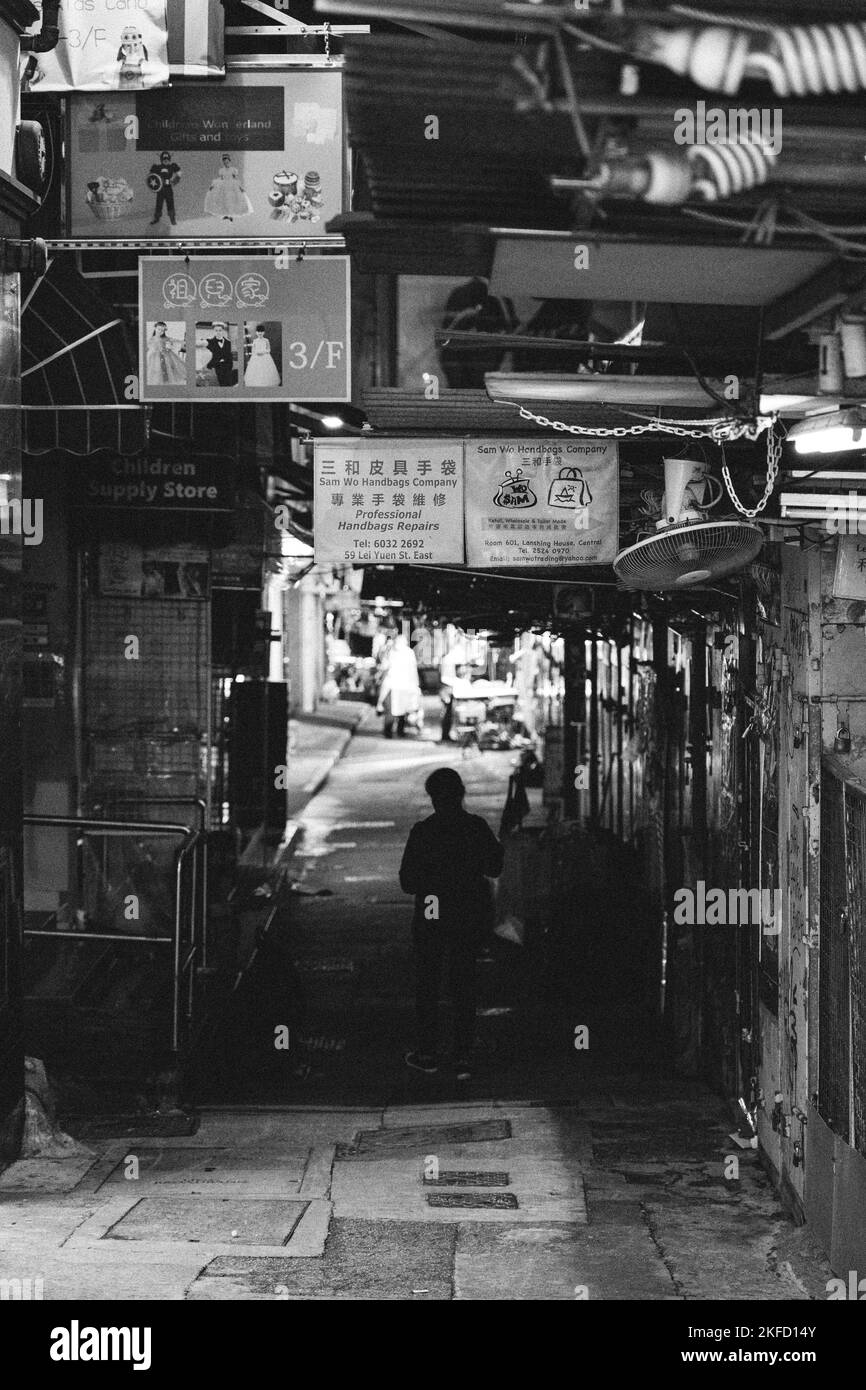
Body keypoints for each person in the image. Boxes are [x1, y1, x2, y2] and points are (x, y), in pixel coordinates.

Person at [399, 768, 504, 1080]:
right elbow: (495, 867)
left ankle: (428, 1052)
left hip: (432, 913)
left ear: (433, 799)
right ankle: (462, 1057)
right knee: (464, 984)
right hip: (468, 914)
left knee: (428, 983)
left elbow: (408, 882)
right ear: (461, 795)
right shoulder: (476, 828)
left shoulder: (423, 831)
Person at [376, 633, 421, 738]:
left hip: (394, 685)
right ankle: (397, 731)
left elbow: (385, 667)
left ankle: (390, 731)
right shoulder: (406, 653)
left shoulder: (393, 652)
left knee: (395, 710)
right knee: (399, 710)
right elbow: (413, 671)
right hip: (401, 685)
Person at [204, 155, 254, 222]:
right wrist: (213, 185)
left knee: (232, 199)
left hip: (232, 185)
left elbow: (235, 178)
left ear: (229, 161)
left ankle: (230, 214)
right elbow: (221, 179)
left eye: (227, 162)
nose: (226, 163)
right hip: (224, 185)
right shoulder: (221, 170)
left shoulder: (233, 170)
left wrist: (240, 187)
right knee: (223, 200)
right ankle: (226, 215)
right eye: (224, 162)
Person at [149, 152, 180, 226]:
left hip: (168, 188)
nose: (166, 160)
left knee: (170, 203)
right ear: (161, 159)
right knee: (159, 204)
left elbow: (179, 172)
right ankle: (156, 218)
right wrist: (154, 186)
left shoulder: (172, 166)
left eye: (167, 159)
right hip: (160, 189)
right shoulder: (157, 167)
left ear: (169, 159)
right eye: (164, 159)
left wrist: (175, 180)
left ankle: (172, 219)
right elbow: (151, 176)